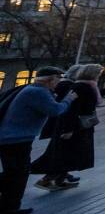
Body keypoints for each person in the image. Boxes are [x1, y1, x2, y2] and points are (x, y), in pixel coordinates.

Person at [0, 66, 75, 213]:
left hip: (13, 138)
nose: (58, 82)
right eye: (58, 79)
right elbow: (55, 110)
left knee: (15, 174)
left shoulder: (33, 89)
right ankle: (10, 208)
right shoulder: (38, 92)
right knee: (17, 175)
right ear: (50, 80)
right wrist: (69, 99)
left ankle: (9, 207)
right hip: (15, 140)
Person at [32, 63, 103, 191]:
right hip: (76, 128)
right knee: (66, 155)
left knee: (68, 155)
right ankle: (48, 180)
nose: (99, 76)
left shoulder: (85, 86)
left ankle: (58, 180)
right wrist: (68, 129)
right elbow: (72, 109)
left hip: (78, 127)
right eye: (98, 74)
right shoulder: (81, 87)